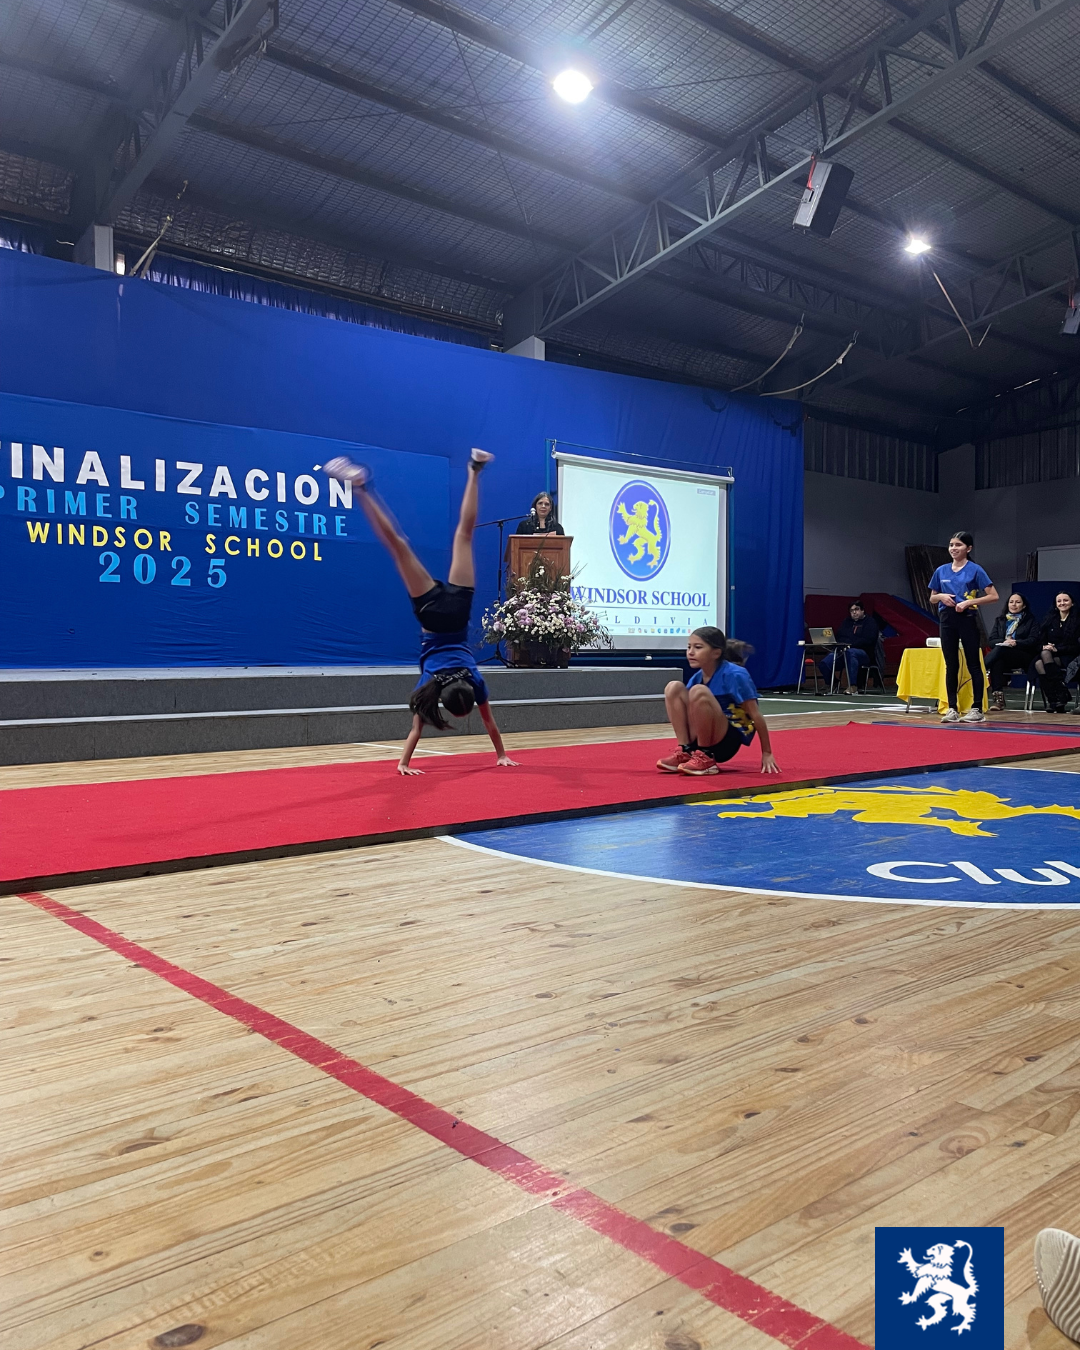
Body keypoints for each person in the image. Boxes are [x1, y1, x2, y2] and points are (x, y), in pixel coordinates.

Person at [322, 449, 518, 774]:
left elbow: (491, 725)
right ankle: (360, 487)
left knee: (464, 535)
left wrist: (502, 754)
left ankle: (475, 468)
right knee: (397, 546)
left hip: (457, 612)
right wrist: (403, 763)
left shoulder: (475, 681)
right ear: (443, 698)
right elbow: (416, 731)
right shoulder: (430, 683)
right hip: (431, 616)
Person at [657, 627, 779, 776]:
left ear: (716, 653)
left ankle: (706, 756)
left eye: (698, 647)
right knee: (673, 687)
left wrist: (767, 752)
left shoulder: (735, 674)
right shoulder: (698, 677)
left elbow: (755, 714)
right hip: (702, 735)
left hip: (726, 741)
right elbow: (687, 711)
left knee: (698, 691)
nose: (690, 652)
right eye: (689, 647)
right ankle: (686, 750)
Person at [928, 531, 998, 724]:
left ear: (968, 548)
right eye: (951, 545)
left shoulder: (976, 570)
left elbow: (993, 596)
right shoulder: (941, 570)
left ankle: (977, 708)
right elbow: (932, 597)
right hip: (946, 618)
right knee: (951, 664)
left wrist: (969, 602)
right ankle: (952, 708)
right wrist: (941, 597)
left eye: (958, 545)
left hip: (967, 617)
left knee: (973, 663)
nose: (953, 548)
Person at [985, 592, 1039, 711]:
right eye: (1011, 602)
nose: (1014, 605)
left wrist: (1016, 643)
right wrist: (1005, 641)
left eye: (1018, 602)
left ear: (1024, 605)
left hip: (1023, 655)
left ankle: (981, 668)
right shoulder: (1000, 620)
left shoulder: (1031, 621)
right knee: (997, 661)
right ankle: (998, 701)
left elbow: (1033, 641)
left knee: (1000, 650)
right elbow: (991, 641)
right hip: (1003, 655)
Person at [818, 601, 880, 695]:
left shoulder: (870, 622)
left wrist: (850, 645)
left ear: (862, 610)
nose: (854, 612)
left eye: (856, 609)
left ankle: (853, 686)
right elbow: (839, 637)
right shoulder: (846, 622)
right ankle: (832, 683)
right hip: (843, 652)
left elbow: (869, 640)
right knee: (824, 663)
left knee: (851, 653)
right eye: (851, 610)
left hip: (864, 654)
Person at [1035, 592, 1080, 713]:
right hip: (1051, 655)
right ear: (1055, 604)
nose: (1062, 603)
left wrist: (1057, 649)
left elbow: (1076, 645)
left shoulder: (1077, 620)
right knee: (1039, 662)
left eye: (1065, 600)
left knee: (1043, 660)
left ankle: (1057, 698)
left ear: (1072, 603)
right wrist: (1045, 646)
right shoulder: (1049, 619)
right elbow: (1039, 640)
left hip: (1070, 655)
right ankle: (1057, 697)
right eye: (1059, 601)